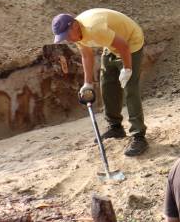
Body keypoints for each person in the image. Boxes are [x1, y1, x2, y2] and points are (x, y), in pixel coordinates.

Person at [52, 8, 148, 156]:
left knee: (130, 88)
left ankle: (139, 136)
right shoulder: (78, 35)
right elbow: (86, 55)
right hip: (112, 44)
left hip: (130, 41)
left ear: (74, 25)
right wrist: (87, 83)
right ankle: (115, 127)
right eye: (64, 38)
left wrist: (127, 69)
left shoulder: (94, 28)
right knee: (107, 83)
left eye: (67, 35)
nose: (68, 40)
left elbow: (123, 46)